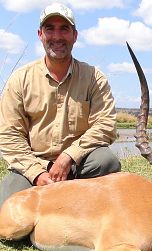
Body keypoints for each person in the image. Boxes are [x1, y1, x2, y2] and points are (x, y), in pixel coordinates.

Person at [0, 2, 121, 205]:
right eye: (50, 29)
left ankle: (75, 203)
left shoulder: (93, 77)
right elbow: (9, 136)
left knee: (106, 161)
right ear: (40, 34)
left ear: (74, 35)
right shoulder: (20, 79)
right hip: (34, 163)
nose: (57, 36)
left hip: (78, 165)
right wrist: (36, 173)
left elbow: (105, 125)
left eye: (64, 29)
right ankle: (61, 199)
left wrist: (69, 156)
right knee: (5, 213)